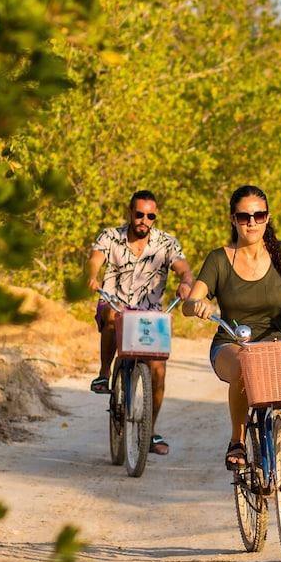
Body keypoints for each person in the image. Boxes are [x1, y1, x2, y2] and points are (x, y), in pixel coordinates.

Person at [182, 185, 281, 518]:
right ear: (233, 219)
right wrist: (196, 304)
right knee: (244, 365)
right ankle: (237, 440)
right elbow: (191, 301)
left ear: (267, 218)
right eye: (244, 216)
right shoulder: (218, 259)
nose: (251, 222)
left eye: (259, 215)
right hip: (233, 345)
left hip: (280, 345)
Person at [88, 190, 191, 456]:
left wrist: (186, 282)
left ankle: (149, 430)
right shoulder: (110, 236)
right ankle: (104, 373)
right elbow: (96, 258)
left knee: (158, 369)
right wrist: (92, 276)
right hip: (115, 303)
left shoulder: (166, 243)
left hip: (149, 314)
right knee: (112, 317)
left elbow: (182, 266)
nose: (144, 220)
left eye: (150, 215)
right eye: (139, 214)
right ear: (130, 212)